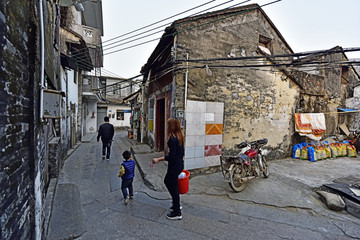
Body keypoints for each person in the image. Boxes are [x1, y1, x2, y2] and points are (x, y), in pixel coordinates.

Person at [152, 118, 184, 220]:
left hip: (174, 166)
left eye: (168, 125)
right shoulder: (180, 136)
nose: (167, 127)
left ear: (171, 126)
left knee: (172, 185)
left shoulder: (172, 139)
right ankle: (176, 204)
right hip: (178, 164)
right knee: (169, 182)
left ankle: (177, 212)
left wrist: (158, 159)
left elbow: (171, 156)